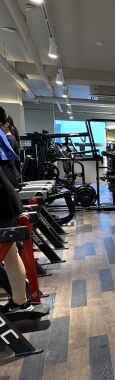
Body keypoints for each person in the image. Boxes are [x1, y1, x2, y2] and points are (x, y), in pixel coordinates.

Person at [0, 108, 32, 313]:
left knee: (9, 251)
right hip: (7, 199)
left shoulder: (6, 139)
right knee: (10, 253)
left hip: (3, 202)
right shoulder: (4, 138)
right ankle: (20, 301)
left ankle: (21, 301)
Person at [0, 112, 21, 188]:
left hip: (9, 177)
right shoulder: (8, 139)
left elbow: (5, 162)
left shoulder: (9, 140)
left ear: (6, 124)